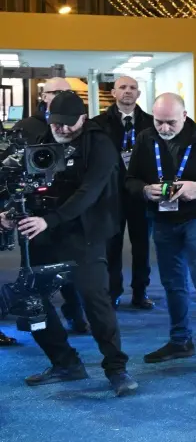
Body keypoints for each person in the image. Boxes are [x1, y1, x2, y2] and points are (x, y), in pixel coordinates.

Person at [6, 91, 138, 396]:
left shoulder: (100, 144)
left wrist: (49, 220)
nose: (63, 129)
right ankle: (64, 362)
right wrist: (12, 213)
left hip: (84, 235)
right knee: (33, 300)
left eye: (69, 123)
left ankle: (116, 368)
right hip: (43, 234)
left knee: (95, 301)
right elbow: (24, 184)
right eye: (57, 123)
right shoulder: (41, 139)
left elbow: (88, 193)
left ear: (83, 118)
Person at [126, 94, 196, 371]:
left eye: (171, 122)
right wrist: (144, 190)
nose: (164, 128)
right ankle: (180, 341)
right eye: (159, 122)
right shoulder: (145, 138)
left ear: (185, 115)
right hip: (162, 219)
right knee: (172, 283)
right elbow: (130, 179)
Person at [13, 77, 88, 333]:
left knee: (71, 270)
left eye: (65, 93)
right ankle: (33, 320)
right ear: (43, 96)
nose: (59, 97)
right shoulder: (27, 127)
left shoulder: (82, 130)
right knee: (34, 269)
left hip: (71, 212)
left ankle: (76, 315)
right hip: (34, 212)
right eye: (54, 93)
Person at [93, 75, 156, 310]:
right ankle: (113, 292)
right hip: (111, 194)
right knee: (112, 246)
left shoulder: (151, 123)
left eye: (132, 88)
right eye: (122, 87)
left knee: (142, 246)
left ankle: (140, 292)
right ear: (113, 93)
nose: (128, 91)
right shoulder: (98, 124)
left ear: (138, 93)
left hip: (141, 193)